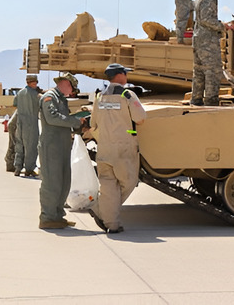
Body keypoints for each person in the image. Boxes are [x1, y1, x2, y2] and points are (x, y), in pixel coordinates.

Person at [88, 63, 147, 234]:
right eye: (125, 73)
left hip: (105, 147)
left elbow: (93, 124)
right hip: (124, 147)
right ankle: (100, 209)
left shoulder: (99, 97)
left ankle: (111, 223)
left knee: (107, 185)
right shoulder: (127, 95)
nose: (126, 76)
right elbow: (141, 118)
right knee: (128, 181)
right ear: (119, 75)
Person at [38, 72, 85, 230]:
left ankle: (57, 216)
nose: (72, 92)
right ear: (65, 82)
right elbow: (52, 118)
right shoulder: (49, 97)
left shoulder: (61, 99)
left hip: (62, 146)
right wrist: (74, 121)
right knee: (52, 183)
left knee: (64, 182)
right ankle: (47, 217)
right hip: (51, 147)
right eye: (72, 87)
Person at [190, 0, 229, 106]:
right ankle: (211, 101)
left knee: (199, 71)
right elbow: (207, 19)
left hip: (199, 38)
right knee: (212, 71)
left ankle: (196, 100)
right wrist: (224, 26)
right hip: (208, 40)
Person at [13, 74, 42, 177]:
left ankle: (17, 168)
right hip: (30, 123)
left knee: (19, 145)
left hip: (20, 122)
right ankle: (29, 169)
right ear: (34, 82)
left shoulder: (20, 93)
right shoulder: (35, 94)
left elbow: (15, 104)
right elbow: (41, 104)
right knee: (31, 147)